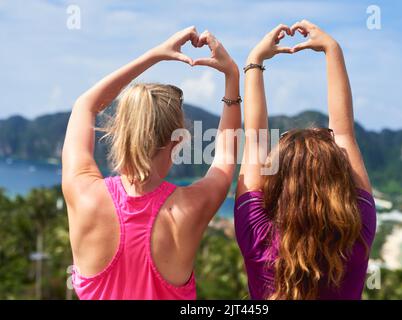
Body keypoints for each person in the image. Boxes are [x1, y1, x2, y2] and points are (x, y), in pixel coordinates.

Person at [62, 26, 241, 299]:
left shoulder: (84, 195)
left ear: (120, 132)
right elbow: (226, 158)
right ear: (176, 141)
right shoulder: (189, 208)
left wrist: (155, 55)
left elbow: (85, 105)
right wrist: (232, 75)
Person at [234, 20, 377, 300]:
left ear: (278, 181)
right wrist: (332, 49)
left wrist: (254, 61)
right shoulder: (356, 234)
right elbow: (345, 134)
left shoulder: (257, 234)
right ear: (338, 176)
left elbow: (255, 141)